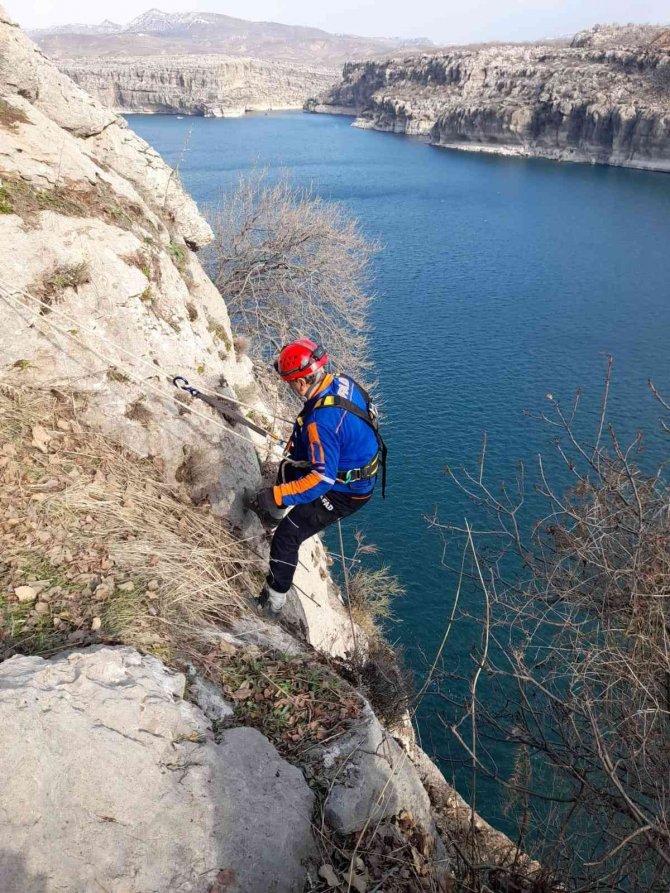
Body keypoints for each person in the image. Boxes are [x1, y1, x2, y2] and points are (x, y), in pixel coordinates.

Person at [249, 338, 386, 614]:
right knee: (288, 468)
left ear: (301, 382)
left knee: (289, 535)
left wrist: (276, 494)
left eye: (290, 383)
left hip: (347, 491)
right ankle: (273, 514)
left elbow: (322, 480)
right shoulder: (340, 381)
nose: (291, 388)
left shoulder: (322, 422)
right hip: (351, 464)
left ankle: (273, 602)